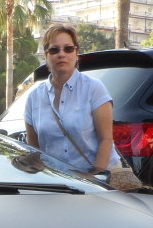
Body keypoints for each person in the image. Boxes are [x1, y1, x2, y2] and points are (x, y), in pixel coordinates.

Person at [23, 22, 120, 179]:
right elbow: (34, 151)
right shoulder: (33, 98)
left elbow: (106, 140)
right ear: (46, 56)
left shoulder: (94, 88)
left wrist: (95, 177)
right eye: (54, 50)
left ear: (76, 54)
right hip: (57, 183)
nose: (62, 54)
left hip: (99, 180)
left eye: (68, 49)